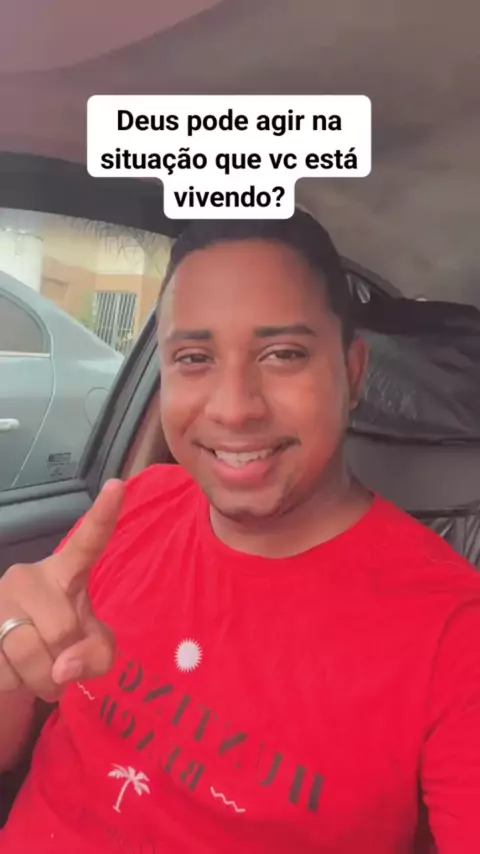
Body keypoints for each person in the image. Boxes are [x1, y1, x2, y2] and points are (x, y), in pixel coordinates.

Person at [0, 210, 479, 854]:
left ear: (353, 373)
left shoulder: (455, 633)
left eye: (283, 355)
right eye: (194, 358)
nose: (233, 408)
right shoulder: (134, 508)